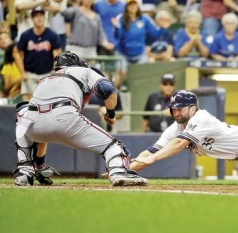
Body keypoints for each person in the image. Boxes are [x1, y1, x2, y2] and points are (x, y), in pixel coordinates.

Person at [12, 51, 147, 186]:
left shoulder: (45, 79)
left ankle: (25, 170)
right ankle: (118, 172)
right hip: (65, 117)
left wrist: (39, 165)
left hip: (33, 124)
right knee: (114, 147)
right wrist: (110, 115)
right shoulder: (83, 71)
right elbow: (109, 89)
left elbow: (42, 127)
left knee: (23, 112)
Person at [17, 7, 62, 101]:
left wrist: (55, 71)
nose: (39, 18)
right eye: (36, 16)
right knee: (27, 103)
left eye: (41, 15)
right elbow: (18, 53)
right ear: (32, 18)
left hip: (47, 75)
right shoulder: (25, 35)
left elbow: (57, 53)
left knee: (47, 102)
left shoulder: (52, 35)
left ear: (44, 17)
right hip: (29, 75)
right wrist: (22, 72)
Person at [0, 31, 25, 101]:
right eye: (15, 52)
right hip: (13, 95)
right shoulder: (7, 67)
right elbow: (5, 89)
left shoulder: (28, 64)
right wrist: (17, 81)